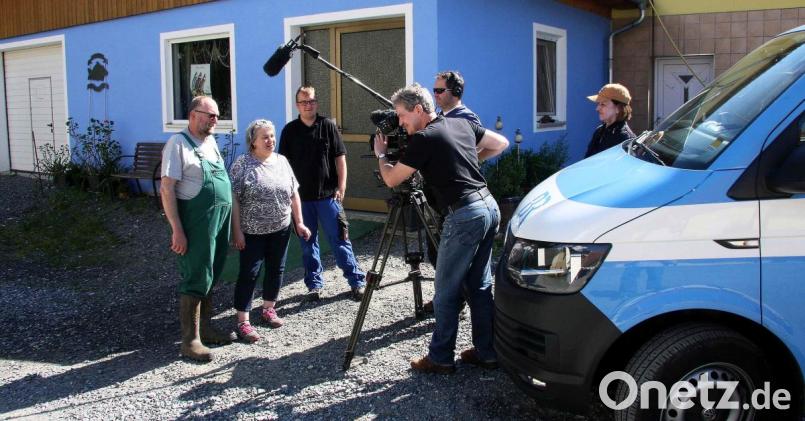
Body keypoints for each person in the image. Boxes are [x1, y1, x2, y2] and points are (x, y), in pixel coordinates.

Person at [373, 83, 509, 374]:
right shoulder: (461, 122)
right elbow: (501, 143)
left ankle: (441, 357)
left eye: (402, 115)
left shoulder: (424, 138)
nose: (400, 122)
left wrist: (381, 154)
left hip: (465, 215)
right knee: (479, 285)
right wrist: (466, 160)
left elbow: (392, 179)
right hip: (489, 206)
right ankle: (487, 352)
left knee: (446, 290)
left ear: (418, 109)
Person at [161, 96, 235, 362]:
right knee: (196, 275)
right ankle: (190, 341)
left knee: (211, 273)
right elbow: (167, 189)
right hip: (196, 223)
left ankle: (206, 329)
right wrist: (177, 230)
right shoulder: (178, 144)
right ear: (193, 115)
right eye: (210, 115)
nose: (215, 120)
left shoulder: (210, 142)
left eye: (217, 116)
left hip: (218, 221)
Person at [279, 86, 366, 302]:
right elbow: (283, 165)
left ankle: (356, 282)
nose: (308, 105)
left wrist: (341, 186)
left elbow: (340, 158)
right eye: (304, 102)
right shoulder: (289, 131)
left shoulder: (327, 126)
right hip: (301, 199)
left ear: (316, 103)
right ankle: (314, 286)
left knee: (340, 240)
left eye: (311, 101)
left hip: (329, 197)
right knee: (308, 245)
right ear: (297, 105)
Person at [229, 119, 312, 343]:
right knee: (250, 273)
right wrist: (237, 231)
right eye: (265, 137)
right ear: (253, 141)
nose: (270, 140)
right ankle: (243, 321)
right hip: (252, 231)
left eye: (272, 136)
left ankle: (268, 308)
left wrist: (299, 222)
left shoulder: (281, 161)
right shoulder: (242, 163)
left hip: (280, 228)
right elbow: (233, 199)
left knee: (276, 269)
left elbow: (294, 193)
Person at [584, 83, 636, 158]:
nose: (597, 109)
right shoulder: (599, 131)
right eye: (598, 104)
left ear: (618, 108)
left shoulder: (624, 139)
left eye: (603, 104)